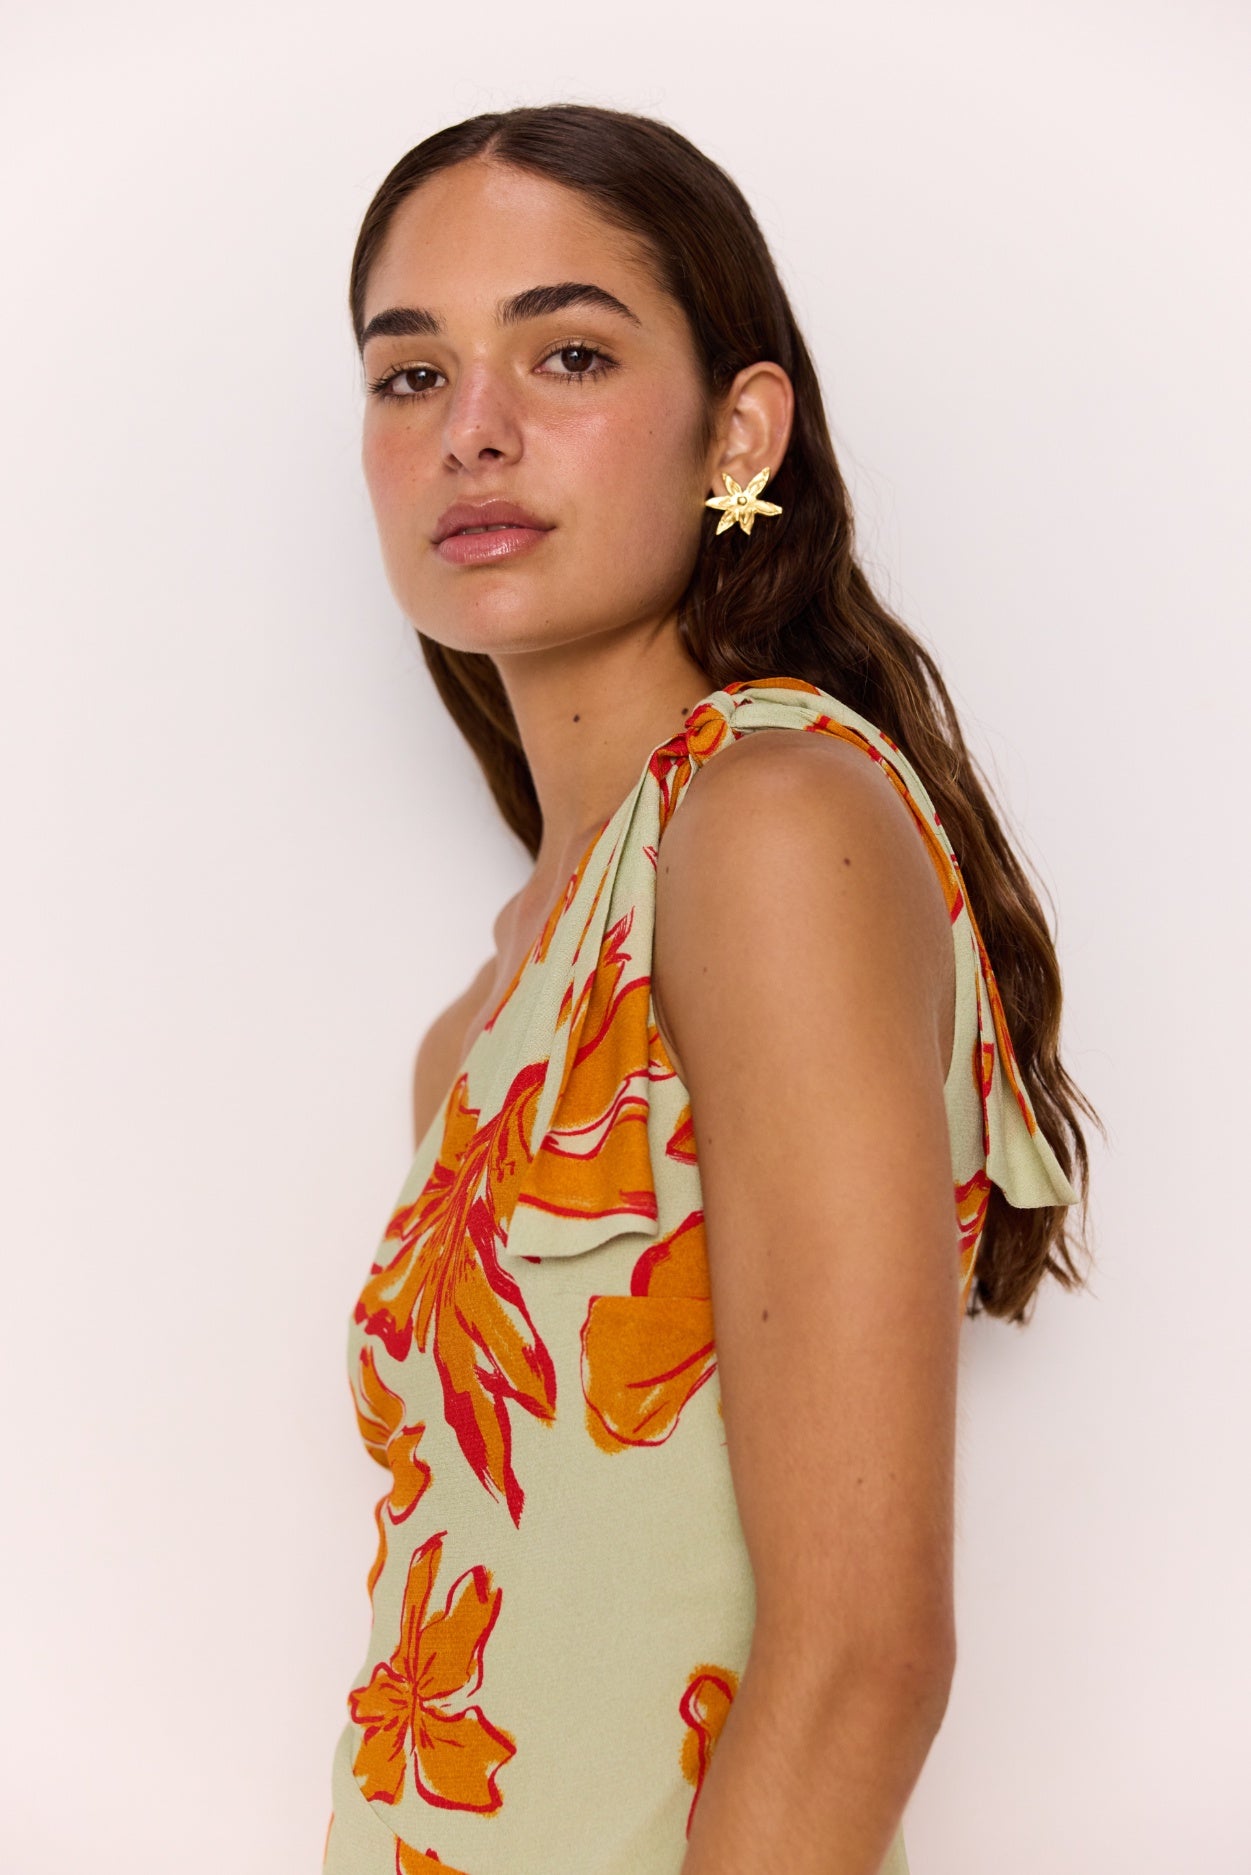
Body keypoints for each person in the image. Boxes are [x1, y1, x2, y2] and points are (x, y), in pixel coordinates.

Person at [321, 104, 1097, 1875]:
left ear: (738, 432)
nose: (473, 430)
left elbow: (862, 1663)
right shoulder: (493, 1007)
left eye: (567, 354)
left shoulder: (766, 825)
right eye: (411, 375)